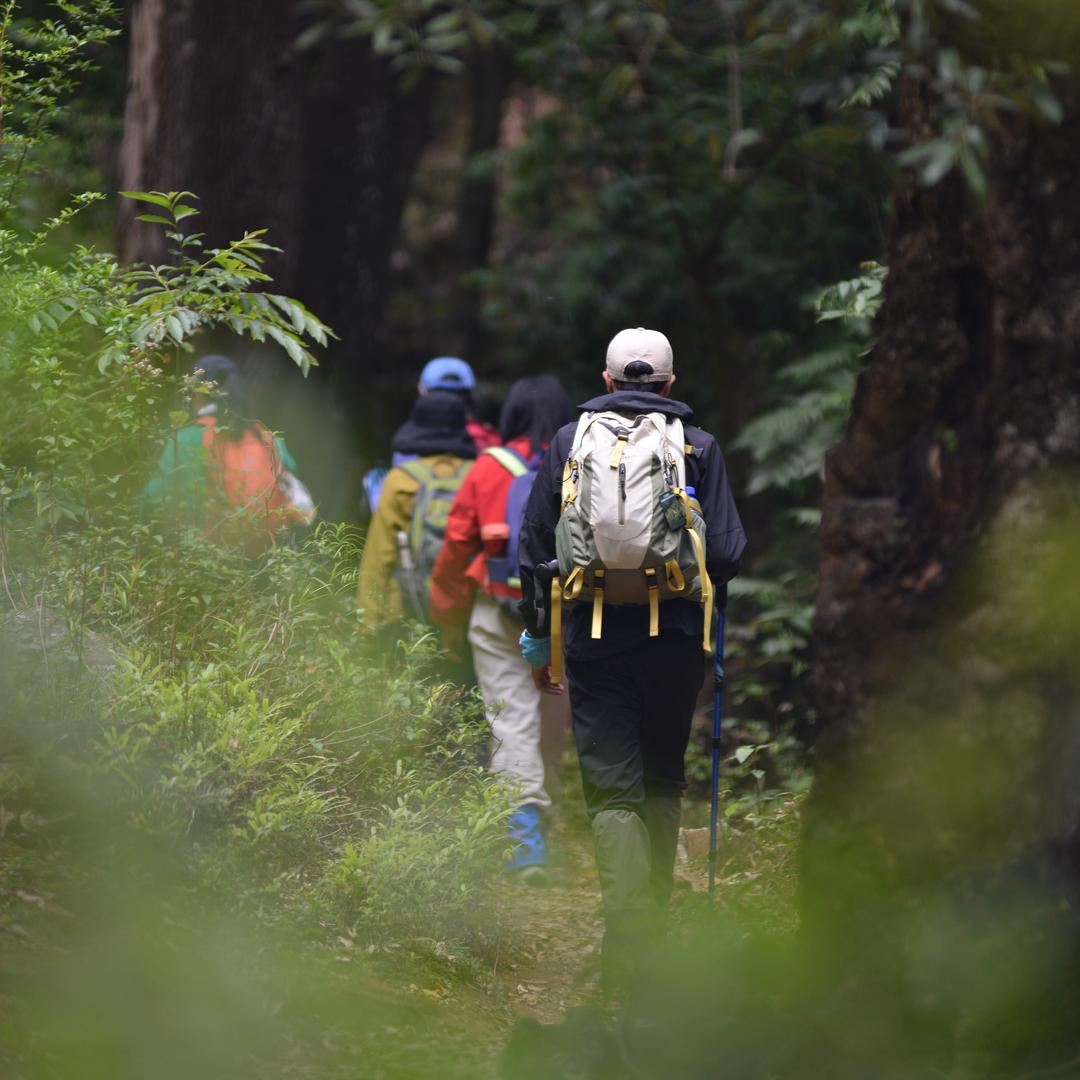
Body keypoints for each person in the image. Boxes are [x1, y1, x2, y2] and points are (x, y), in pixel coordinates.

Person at [517, 328, 746, 994]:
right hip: (675, 637)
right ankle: (659, 929)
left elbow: (535, 548)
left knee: (611, 786)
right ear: (671, 384)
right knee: (661, 775)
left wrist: (538, 641)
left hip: (594, 635)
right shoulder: (698, 448)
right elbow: (728, 554)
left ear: (608, 380)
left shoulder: (568, 443)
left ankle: (629, 934)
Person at [429, 375, 575, 882]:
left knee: (512, 719)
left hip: (500, 613)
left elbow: (454, 549)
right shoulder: (584, 462)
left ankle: (525, 841)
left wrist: (446, 615)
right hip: (568, 615)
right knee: (556, 722)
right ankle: (560, 821)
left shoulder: (487, 469)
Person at [142, 354, 309, 554]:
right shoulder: (270, 440)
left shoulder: (187, 439)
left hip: (204, 559)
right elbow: (293, 488)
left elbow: (153, 498)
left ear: (198, 394)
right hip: (267, 562)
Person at [357, 390, 477, 627]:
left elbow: (379, 555)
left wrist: (367, 624)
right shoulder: (478, 475)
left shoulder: (400, 479)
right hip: (466, 608)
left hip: (407, 609)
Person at [359, 356, 498, 523]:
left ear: (424, 391)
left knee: (375, 479)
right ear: (470, 393)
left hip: (415, 526)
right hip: (469, 527)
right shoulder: (489, 439)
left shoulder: (408, 439)